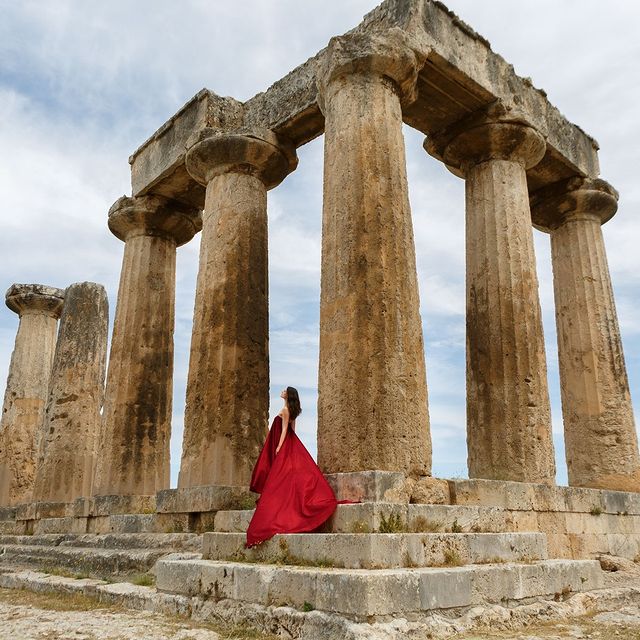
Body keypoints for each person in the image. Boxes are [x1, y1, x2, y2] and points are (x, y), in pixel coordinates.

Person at [245, 386, 353, 548]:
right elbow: (292, 431)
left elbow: (283, 431)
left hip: (281, 443)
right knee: (286, 477)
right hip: (289, 443)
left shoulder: (285, 410)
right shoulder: (292, 411)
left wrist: (279, 447)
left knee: (279, 477)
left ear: (288, 395)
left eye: (284, 391)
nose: (281, 391)